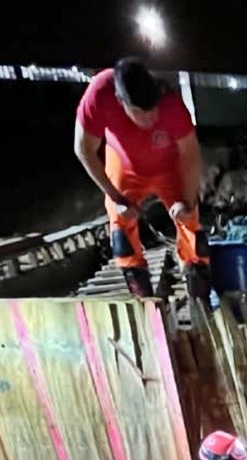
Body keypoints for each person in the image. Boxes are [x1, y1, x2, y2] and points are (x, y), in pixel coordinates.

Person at [73, 57, 208, 298]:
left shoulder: (171, 104)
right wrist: (114, 197)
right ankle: (144, 300)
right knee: (121, 231)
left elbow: (190, 154)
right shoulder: (98, 96)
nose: (149, 119)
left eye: (153, 110)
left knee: (191, 226)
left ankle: (198, 291)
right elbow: (83, 149)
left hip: (170, 166)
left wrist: (186, 202)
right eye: (139, 113)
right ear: (119, 101)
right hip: (124, 165)